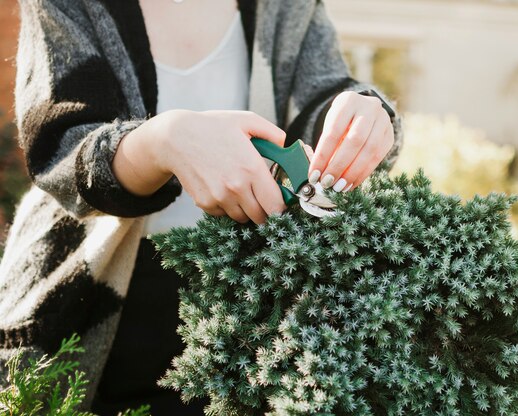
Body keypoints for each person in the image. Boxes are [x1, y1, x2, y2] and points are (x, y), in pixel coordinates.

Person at [0, 0, 402, 414]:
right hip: (92, 306)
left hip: (252, 316)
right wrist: (162, 141)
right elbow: (61, 152)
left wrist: (361, 119)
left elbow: (320, 99)